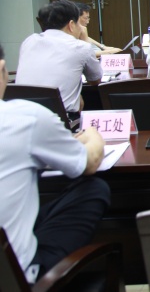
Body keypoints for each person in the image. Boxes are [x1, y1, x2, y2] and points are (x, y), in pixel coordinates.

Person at [0, 42, 109, 284]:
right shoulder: (24, 117)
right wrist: (92, 134)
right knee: (93, 188)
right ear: (2, 69)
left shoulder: (29, 43)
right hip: (16, 281)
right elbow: (90, 162)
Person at [16, 0, 103, 115]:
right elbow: (95, 80)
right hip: (60, 118)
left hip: (22, 115)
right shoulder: (81, 47)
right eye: (79, 24)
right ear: (71, 25)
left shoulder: (29, 41)